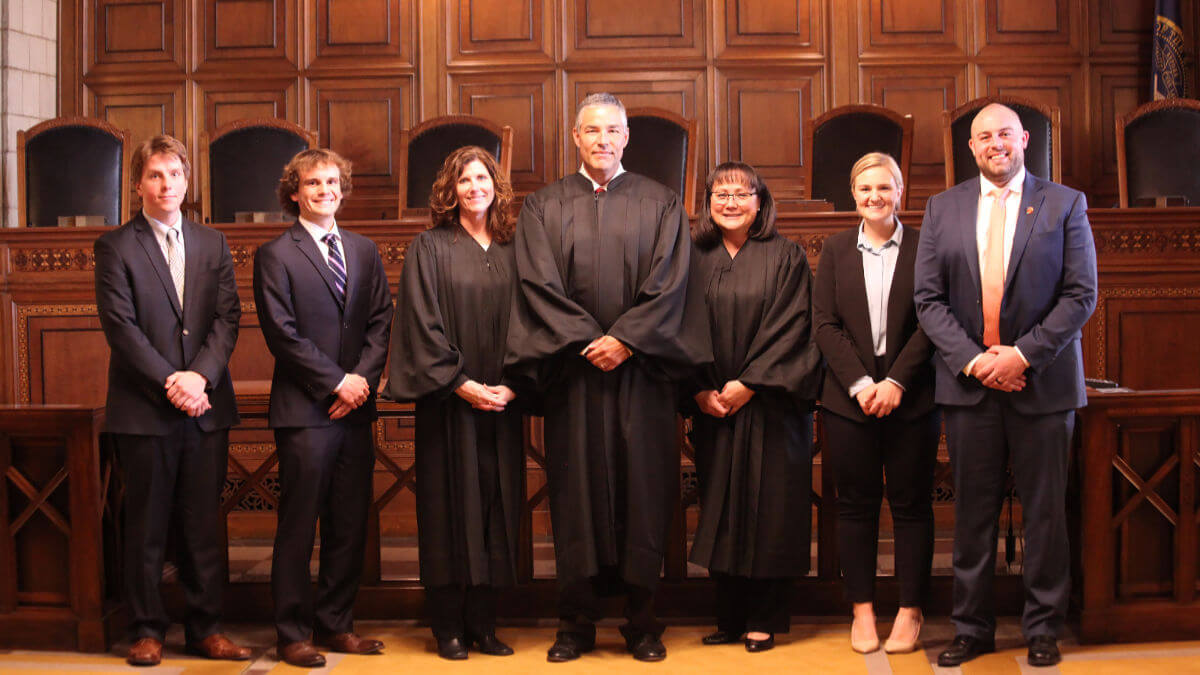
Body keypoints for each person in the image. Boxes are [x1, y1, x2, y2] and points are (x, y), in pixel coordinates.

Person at [505, 92, 710, 663]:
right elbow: (538, 284)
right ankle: (575, 623)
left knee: (644, 493)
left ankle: (642, 622)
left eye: (612, 130)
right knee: (575, 496)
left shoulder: (661, 202)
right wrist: (584, 341)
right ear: (575, 137)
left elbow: (672, 282)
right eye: (591, 130)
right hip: (574, 376)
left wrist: (625, 339)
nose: (602, 140)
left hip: (642, 373)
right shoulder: (545, 206)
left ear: (626, 137)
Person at [914, 103, 1097, 668]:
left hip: (1042, 386)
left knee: (1045, 512)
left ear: (1024, 139)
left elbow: (1080, 295)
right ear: (971, 147)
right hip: (969, 388)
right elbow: (929, 299)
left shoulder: (1065, 203)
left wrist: (1020, 356)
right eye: (983, 136)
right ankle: (972, 628)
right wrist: (976, 362)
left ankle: (1043, 626)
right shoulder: (943, 208)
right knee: (972, 513)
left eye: (1004, 134)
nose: (996, 143)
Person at [94, 135, 250, 667]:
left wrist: (200, 379)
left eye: (175, 175)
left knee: (202, 524)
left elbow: (228, 319)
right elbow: (122, 329)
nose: (166, 185)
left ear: (187, 181)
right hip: (144, 410)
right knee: (147, 527)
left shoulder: (213, 243)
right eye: (155, 175)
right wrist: (172, 383)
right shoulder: (115, 246)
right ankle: (146, 630)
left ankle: (207, 629)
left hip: (205, 407)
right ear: (138, 183)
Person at [253, 148, 393, 668]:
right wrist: (336, 383)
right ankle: (291, 633)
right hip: (305, 411)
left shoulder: (363, 249)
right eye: (313, 183)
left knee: (348, 524)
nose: (325, 191)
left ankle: (338, 624)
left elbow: (381, 320)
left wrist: (360, 383)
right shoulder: (276, 254)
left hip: (355, 410)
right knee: (298, 526)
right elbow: (281, 335)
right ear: (294, 192)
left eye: (333, 182)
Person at [384, 146, 523, 660]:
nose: (474, 188)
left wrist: (511, 384)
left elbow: (531, 323)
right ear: (450, 189)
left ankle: (485, 623)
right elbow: (421, 325)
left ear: (496, 186)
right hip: (449, 405)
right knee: (448, 510)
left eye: (482, 178)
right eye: (464, 180)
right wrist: (461, 383)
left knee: (494, 507)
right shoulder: (429, 247)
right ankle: (448, 626)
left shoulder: (515, 248)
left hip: (502, 404)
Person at [685, 162, 821, 653]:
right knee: (721, 506)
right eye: (721, 193)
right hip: (713, 407)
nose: (731, 202)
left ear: (759, 203)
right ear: (708, 203)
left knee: (770, 510)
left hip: (771, 407)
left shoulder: (785, 257)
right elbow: (679, 327)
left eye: (742, 193)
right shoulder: (692, 258)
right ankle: (729, 616)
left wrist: (750, 383)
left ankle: (764, 617)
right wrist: (701, 389)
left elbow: (795, 328)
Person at [812, 152, 938, 655]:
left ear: (900, 191)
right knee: (856, 507)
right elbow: (824, 325)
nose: (874, 197)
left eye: (884, 188)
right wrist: (863, 384)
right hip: (849, 403)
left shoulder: (926, 247)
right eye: (865, 189)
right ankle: (861, 608)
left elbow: (934, 319)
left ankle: (911, 610)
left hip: (913, 400)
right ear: (853, 194)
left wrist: (896, 383)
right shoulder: (836, 249)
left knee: (911, 506)